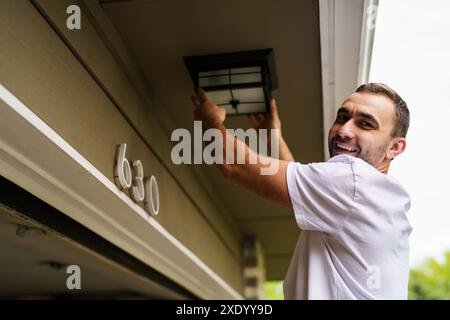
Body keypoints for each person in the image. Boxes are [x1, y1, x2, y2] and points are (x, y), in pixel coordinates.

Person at [191, 82, 411, 300]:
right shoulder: (377, 197)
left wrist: (209, 120)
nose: (343, 130)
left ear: (395, 147)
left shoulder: (355, 180)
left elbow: (234, 165)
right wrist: (273, 139)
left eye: (365, 124)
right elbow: (304, 192)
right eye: (342, 117)